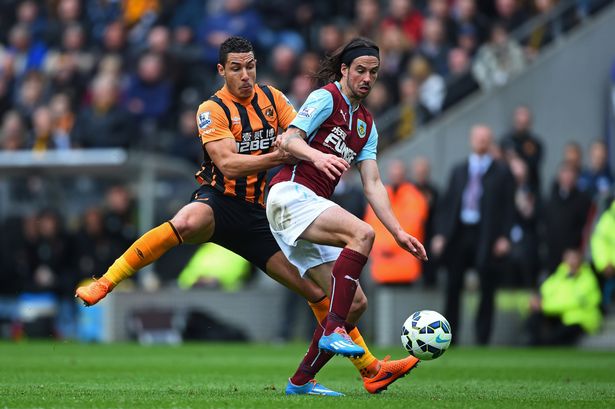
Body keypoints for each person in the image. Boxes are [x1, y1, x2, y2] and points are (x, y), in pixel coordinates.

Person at [75, 36, 412, 396]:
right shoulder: (212, 109)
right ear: (222, 70)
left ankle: (366, 369)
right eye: (236, 68)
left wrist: (298, 151)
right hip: (219, 200)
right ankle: (107, 281)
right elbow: (228, 163)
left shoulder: (274, 99)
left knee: (315, 292)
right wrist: (279, 157)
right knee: (186, 221)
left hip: (260, 214)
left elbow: (296, 137)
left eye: (250, 66)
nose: (246, 75)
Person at [267, 37, 428, 395]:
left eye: (374, 72)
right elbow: (289, 140)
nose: (367, 78)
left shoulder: (367, 124)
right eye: (360, 70)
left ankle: (301, 381)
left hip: (309, 208)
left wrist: (399, 232)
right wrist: (316, 156)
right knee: (362, 234)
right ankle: (335, 331)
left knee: (355, 303)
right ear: (344, 70)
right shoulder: (327, 97)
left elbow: (373, 185)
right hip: (289, 194)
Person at [431, 125, 515, 345]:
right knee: (453, 286)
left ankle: (482, 337)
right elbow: (447, 204)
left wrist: (505, 236)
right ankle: (449, 337)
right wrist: (441, 234)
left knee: (487, 287)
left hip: (487, 234)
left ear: (490, 141)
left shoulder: (502, 172)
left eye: (486, 138)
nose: (481, 142)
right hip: (460, 233)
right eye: (478, 138)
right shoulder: (459, 169)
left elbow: (508, 207)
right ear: (471, 140)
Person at [526, 248, 602, 346]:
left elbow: (573, 301)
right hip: (559, 316)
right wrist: (536, 301)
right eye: (568, 258)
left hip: (579, 320)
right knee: (533, 319)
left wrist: (544, 306)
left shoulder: (587, 278)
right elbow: (545, 291)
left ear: (580, 259)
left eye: (574, 258)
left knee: (557, 336)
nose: (571, 262)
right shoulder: (559, 275)